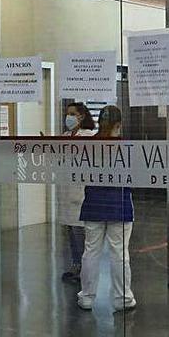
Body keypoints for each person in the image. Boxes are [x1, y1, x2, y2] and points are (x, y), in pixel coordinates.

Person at [77, 105, 136, 311]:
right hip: (119, 204)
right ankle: (123, 299)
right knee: (119, 253)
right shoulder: (125, 146)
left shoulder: (89, 145)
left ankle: (87, 297)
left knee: (91, 251)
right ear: (119, 124)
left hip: (93, 202)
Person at [56, 102, 96, 282]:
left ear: (81, 116)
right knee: (71, 232)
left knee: (80, 233)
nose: (68, 118)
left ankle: (84, 269)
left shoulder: (88, 136)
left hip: (80, 191)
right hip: (66, 189)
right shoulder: (65, 135)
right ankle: (75, 265)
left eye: (72, 114)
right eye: (67, 114)